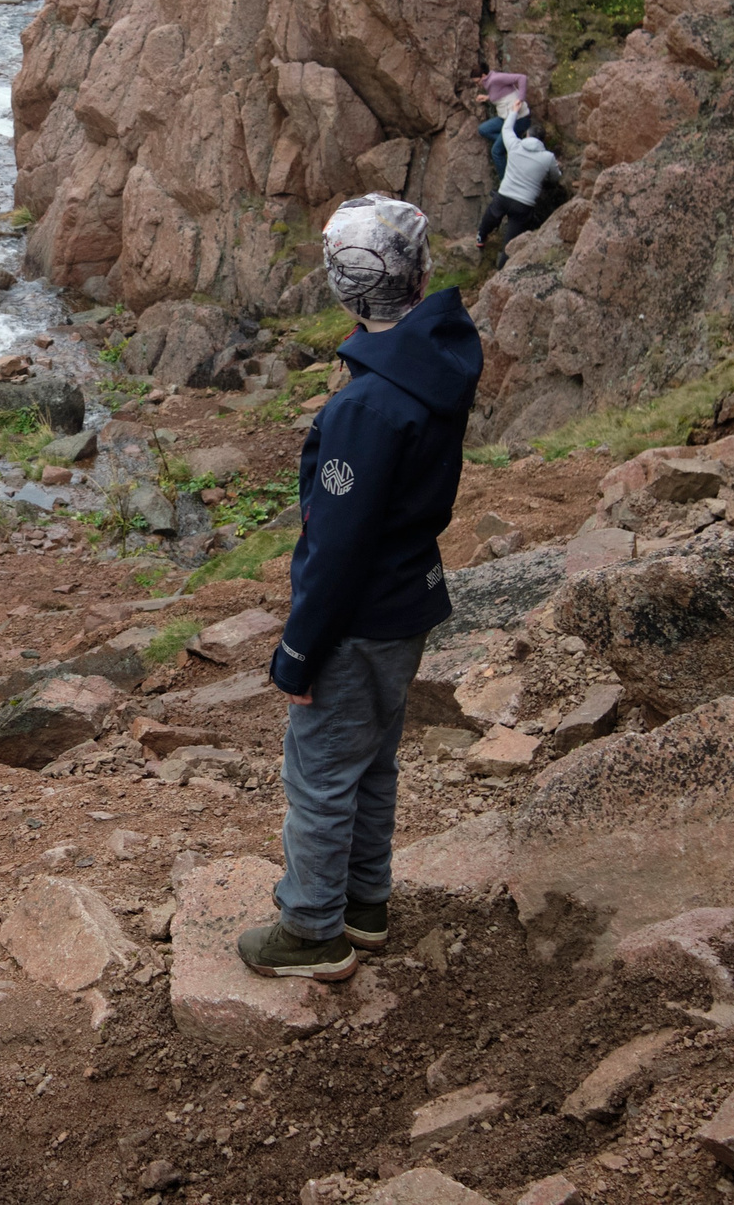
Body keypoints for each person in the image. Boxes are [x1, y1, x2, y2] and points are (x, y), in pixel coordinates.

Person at [238, 195, 481, 981]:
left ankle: (313, 929)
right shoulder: (438, 360)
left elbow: (336, 548)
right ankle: (365, 902)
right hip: (409, 602)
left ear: (342, 290)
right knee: (373, 758)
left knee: (318, 774)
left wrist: (298, 651)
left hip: (356, 618)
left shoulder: (364, 407)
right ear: (422, 276)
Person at [477, 118, 561, 266]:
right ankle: (503, 270)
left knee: (492, 213)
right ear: (542, 140)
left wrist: (513, 112)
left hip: (504, 196)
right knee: (511, 242)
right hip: (524, 204)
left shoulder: (515, 145)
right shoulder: (548, 158)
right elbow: (556, 178)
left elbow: (506, 129)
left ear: (527, 135)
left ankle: (481, 236)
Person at [476, 71, 530, 179]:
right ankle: (512, 143)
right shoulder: (490, 84)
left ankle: (506, 182)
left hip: (519, 119)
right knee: (483, 129)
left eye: (477, 82)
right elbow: (501, 94)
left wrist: (520, 98)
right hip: (505, 118)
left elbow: (522, 77)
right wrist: (487, 97)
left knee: (496, 152)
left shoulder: (496, 78)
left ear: (483, 76)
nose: (477, 85)